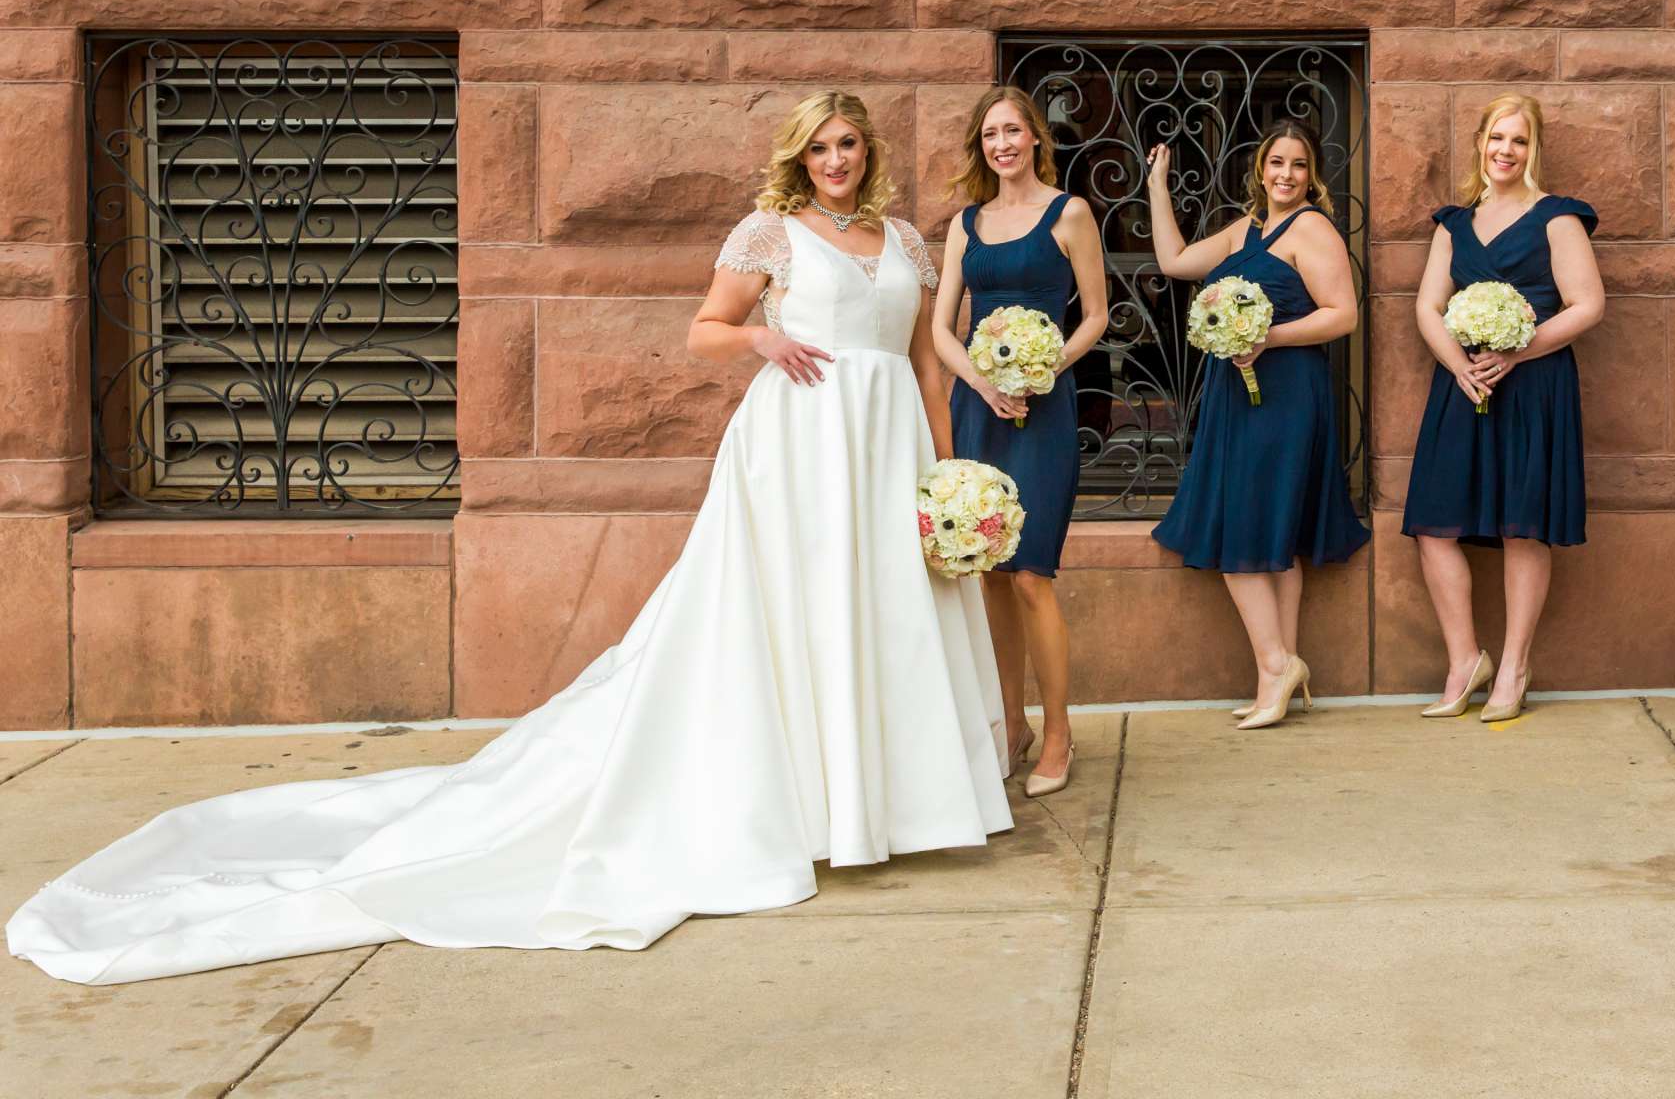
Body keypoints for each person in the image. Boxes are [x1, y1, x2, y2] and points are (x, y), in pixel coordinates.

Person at [7, 91, 1011, 985]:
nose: (838, 158)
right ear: (800, 157)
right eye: (823, 146)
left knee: (886, 617)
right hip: (797, 452)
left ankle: (898, 806)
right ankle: (812, 811)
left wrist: (943, 471)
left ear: (868, 151)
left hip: (884, 459)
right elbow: (703, 330)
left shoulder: (905, 244)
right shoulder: (770, 233)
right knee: (801, 621)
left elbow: (925, 366)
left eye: (850, 143)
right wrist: (758, 336)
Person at [1146, 119, 1368, 730]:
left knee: (1244, 528)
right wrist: (1158, 187)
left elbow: (1342, 314)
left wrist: (1266, 338)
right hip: (1237, 392)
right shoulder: (1247, 228)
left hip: (1286, 394)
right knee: (1273, 537)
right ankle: (1279, 677)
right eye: (1276, 163)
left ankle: (1275, 664)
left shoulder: (1312, 227)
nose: (1286, 175)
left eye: (1298, 164)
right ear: (1260, 169)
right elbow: (1176, 261)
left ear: (1312, 174)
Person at [1401, 95, 1605, 722]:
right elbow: (1427, 307)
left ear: (1532, 148)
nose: (1505, 151)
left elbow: (1587, 305)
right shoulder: (1453, 224)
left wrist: (1519, 352)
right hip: (1463, 385)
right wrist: (1459, 366)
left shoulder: (1556, 218)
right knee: (1433, 524)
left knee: (1522, 524)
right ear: (1481, 144)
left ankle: (1514, 665)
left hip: (1532, 386)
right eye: (1496, 138)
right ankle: (1467, 660)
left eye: (1518, 140)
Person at [931, 86, 1106, 799]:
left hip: (1044, 408)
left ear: (1036, 136)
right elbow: (943, 326)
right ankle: (1012, 724)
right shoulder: (964, 225)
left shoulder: (1070, 213)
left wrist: (1041, 371)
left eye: (1013, 131)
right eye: (990, 135)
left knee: (1031, 572)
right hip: (979, 409)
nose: (1002, 144)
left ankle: (1058, 730)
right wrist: (979, 381)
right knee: (990, 574)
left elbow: (1095, 316)